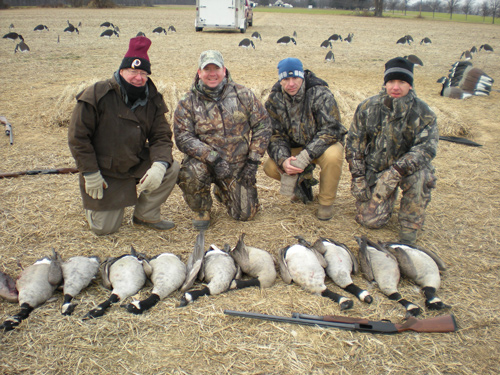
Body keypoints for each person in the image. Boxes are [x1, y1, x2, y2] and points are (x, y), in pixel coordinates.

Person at [68, 36, 179, 235]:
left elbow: (161, 137)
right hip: (105, 171)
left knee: (171, 167)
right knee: (104, 229)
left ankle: (146, 214)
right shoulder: (97, 94)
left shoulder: (153, 99)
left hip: (134, 162)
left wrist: (159, 166)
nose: (139, 77)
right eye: (133, 71)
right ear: (121, 71)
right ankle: (95, 204)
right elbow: (78, 138)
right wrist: (90, 173)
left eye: (143, 73)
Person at [173, 50, 271, 230]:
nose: (212, 74)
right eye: (207, 69)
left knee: (244, 214)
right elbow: (183, 137)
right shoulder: (188, 101)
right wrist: (213, 158)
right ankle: (201, 208)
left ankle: (222, 190)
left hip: (237, 164)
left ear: (224, 70)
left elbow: (263, 125)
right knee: (192, 172)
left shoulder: (244, 95)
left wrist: (253, 161)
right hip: (205, 162)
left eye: (216, 68)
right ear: (199, 72)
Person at [345, 57, 438, 245]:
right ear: (385, 83)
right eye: (391, 82)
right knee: (369, 221)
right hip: (376, 170)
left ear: (410, 85)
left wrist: (395, 172)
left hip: (406, 171)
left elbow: (426, 149)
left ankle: (410, 223)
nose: (396, 87)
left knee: (421, 175)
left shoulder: (423, 112)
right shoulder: (367, 107)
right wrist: (358, 178)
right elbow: (355, 143)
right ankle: (384, 201)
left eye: (402, 82)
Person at [263, 57, 346, 220]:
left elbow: (332, 129)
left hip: (321, 147)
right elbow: (275, 135)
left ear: (302, 76)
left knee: (334, 155)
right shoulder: (274, 100)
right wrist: (284, 160)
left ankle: (326, 203)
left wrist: (306, 156)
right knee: (270, 166)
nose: (291, 83)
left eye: (295, 78)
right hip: (294, 148)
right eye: (286, 79)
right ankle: (302, 186)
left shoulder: (320, 93)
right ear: (280, 81)